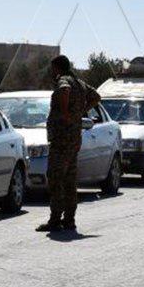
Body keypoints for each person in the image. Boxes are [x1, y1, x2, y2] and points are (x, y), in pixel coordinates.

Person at [38, 55, 101, 232]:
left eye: (53, 69)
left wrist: (66, 113)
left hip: (61, 138)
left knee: (56, 178)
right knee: (70, 179)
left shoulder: (64, 80)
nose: (52, 72)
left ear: (58, 68)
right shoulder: (80, 83)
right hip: (74, 139)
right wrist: (79, 112)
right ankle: (70, 220)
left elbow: (64, 90)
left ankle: (55, 219)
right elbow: (96, 96)